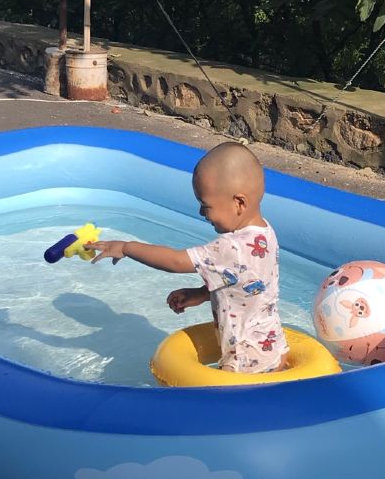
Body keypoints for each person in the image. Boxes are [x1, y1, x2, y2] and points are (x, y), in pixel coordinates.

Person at [87, 142, 287, 373]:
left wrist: (126, 247)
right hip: (271, 346)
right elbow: (249, 283)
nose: (201, 213)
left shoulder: (230, 246)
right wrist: (201, 294)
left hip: (245, 360)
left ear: (239, 203)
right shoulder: (264, 233)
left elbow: (175, 261)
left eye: (205, 205)